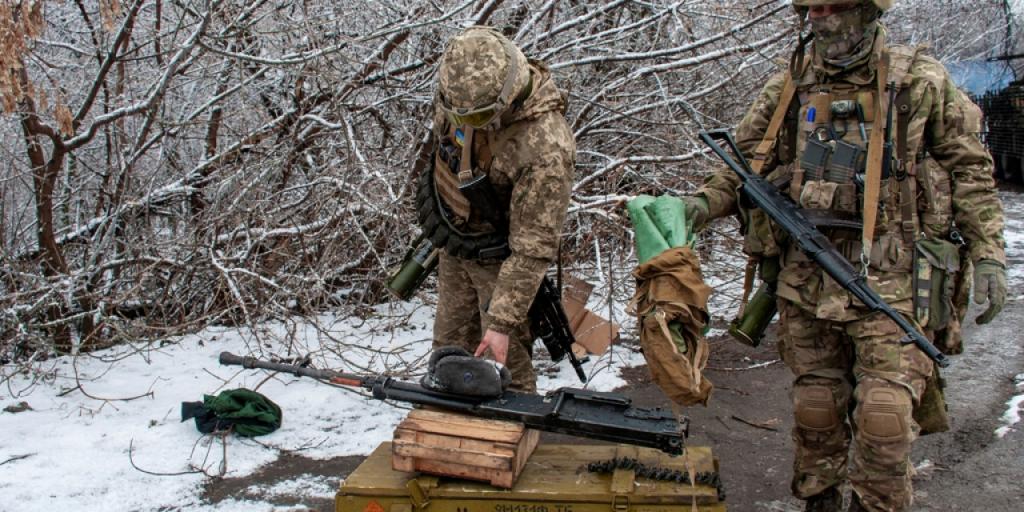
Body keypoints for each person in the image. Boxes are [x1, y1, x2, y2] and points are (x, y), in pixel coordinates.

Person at [680, 1, 1007, 510]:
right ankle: (820, 500)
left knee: (884, 415)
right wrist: (698, 206)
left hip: (894, 277)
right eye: (812, 8)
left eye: (833, 8)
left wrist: (988, 252)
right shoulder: (790, 86)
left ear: (866, 12)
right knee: (817, 410)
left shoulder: (919, 81)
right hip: (807, 275)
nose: (819, 18)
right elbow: (741, 165)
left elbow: (970, 171)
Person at [416, 26, 575, 393]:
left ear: (506, 96)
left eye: (475, 119)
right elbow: (447, 148)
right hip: (457, 244)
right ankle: (452, 433)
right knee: (448, 354)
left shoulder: (544, 147)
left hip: (503, 264)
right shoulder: (462, 92)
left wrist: (502, 322)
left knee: (504, 368)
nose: (462, 123)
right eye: (455, 113)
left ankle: (509, 439)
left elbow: (532, 248)